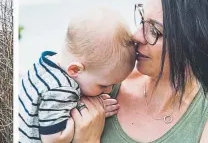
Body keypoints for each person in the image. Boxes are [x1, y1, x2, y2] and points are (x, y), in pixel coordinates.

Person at [71, 0, 208, 143]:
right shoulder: (99, 82)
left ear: (197, 47)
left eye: (155, 30)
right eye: (142, 19)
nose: (136, 36)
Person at [18, 8, 136, 143]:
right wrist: (84, 110)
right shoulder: (62, 89)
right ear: (75, 70)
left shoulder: (43, 65)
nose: (110, 90)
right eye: (104, 85)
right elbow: (54, 139)